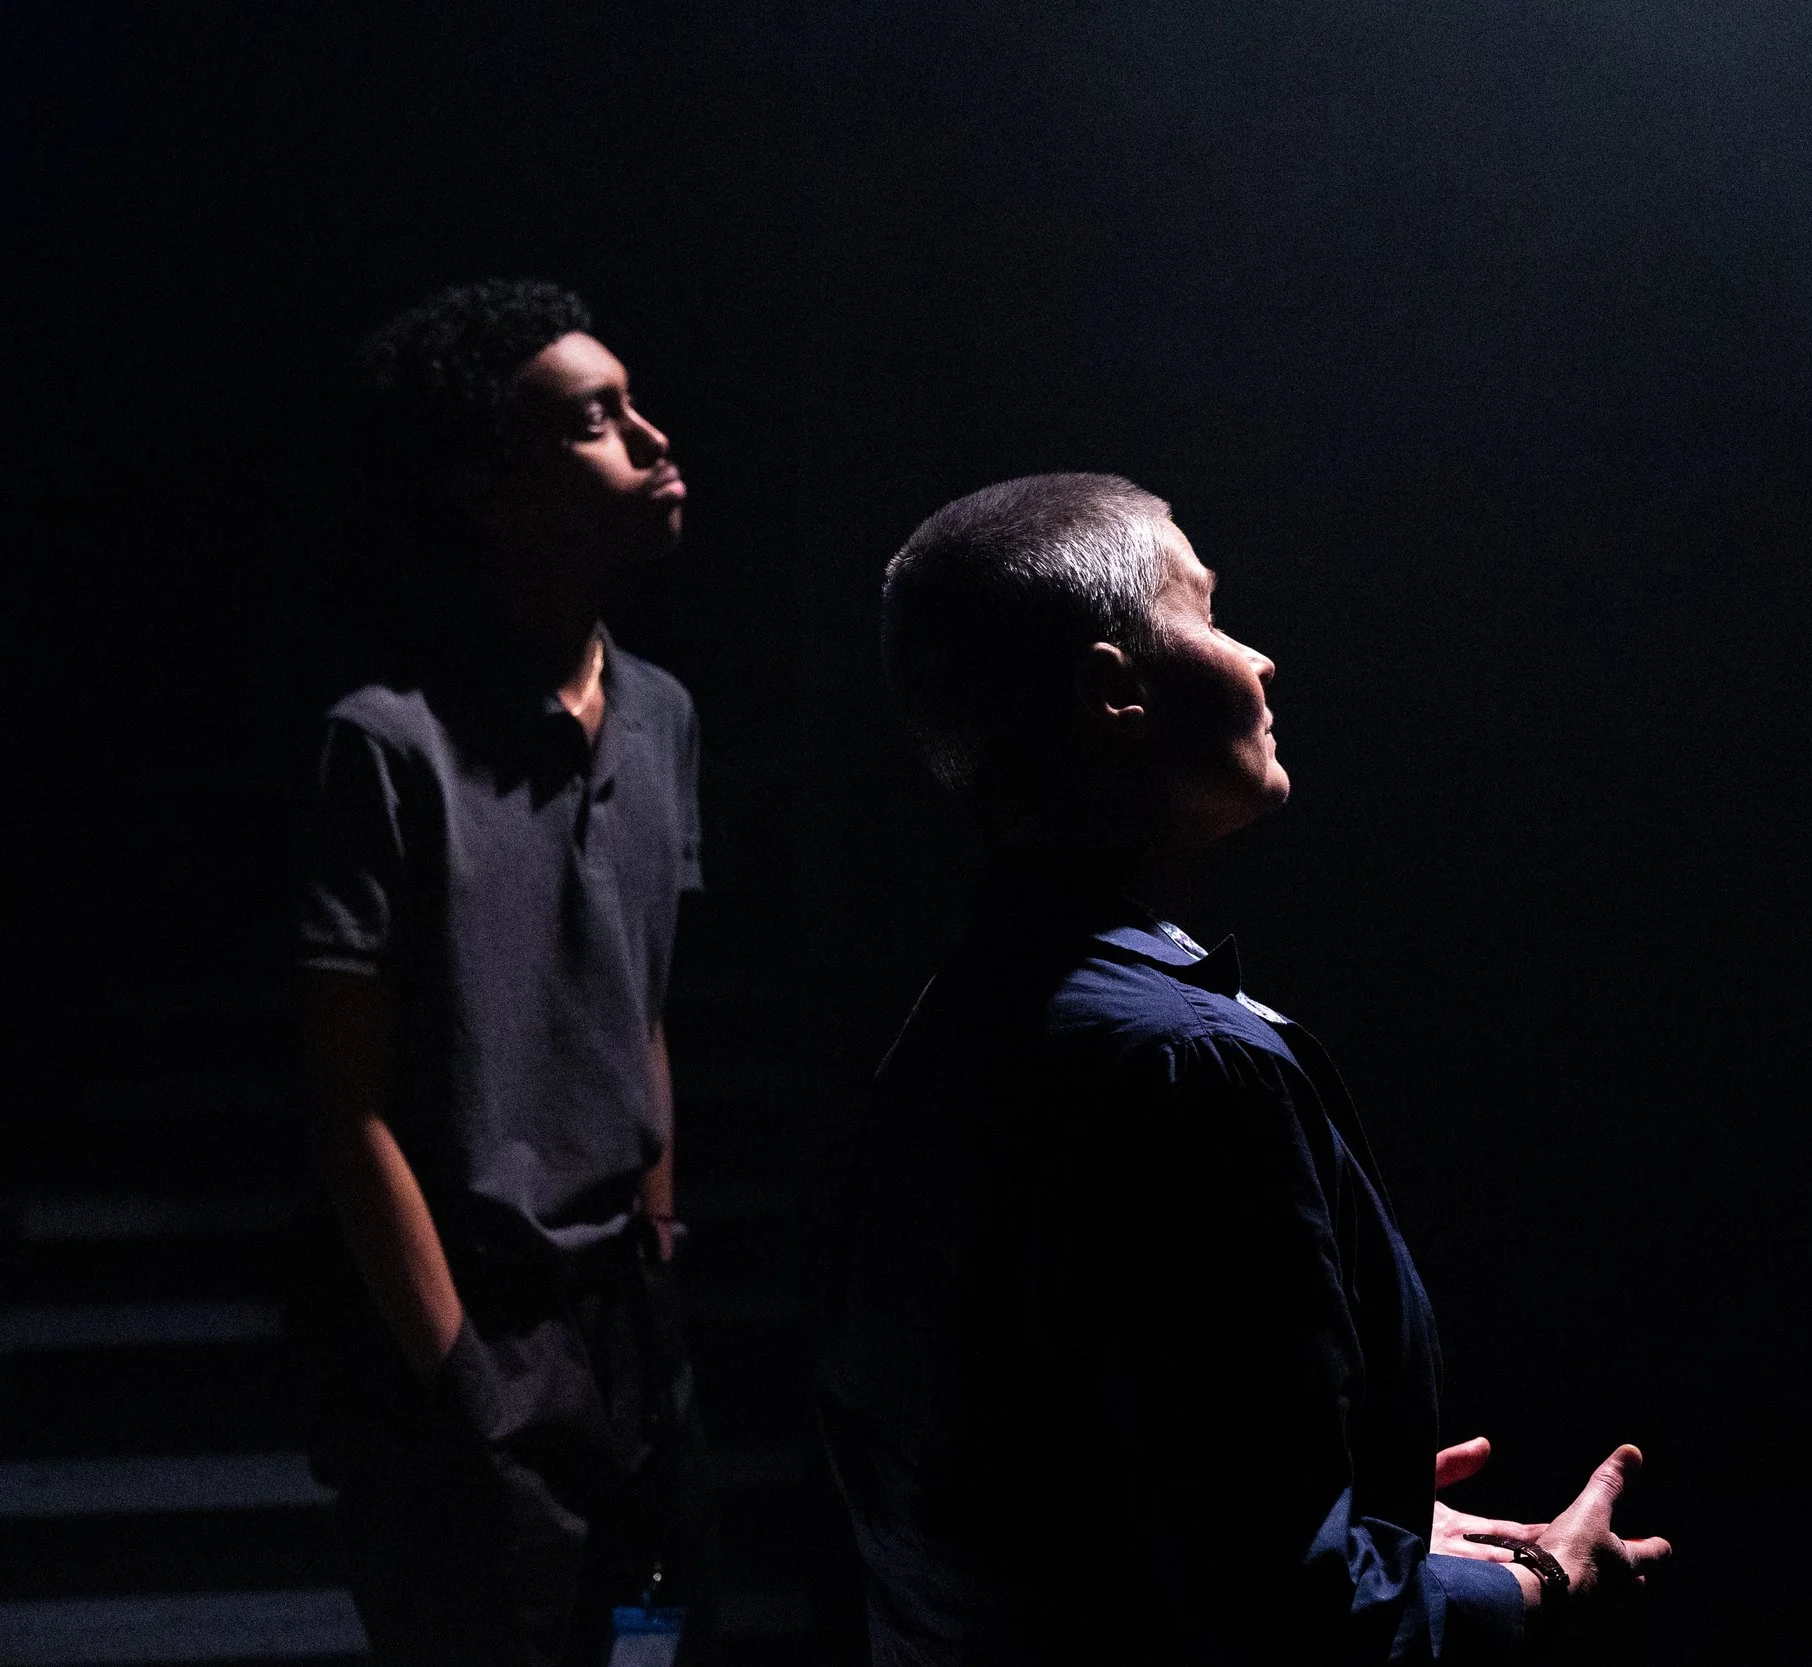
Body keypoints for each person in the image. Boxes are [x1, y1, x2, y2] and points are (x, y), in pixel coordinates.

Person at [818, 474, 1671, 1662]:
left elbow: (1019, 1481)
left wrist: (1344, 1504)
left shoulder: (956, 1022)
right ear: (1114, 691)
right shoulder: (1190, 1066)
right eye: (1207, 614)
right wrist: (1536, 1582)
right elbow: (1290, 1619)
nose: (1259, 658)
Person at [297, 279, 717, 1665]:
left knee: (651, 1643)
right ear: (492, 487)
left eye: (634, 403)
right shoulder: (387, 745)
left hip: (634, 1338)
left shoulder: (660, 714)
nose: (652, 438)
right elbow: (346, 1103)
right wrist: (462, 1384)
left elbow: (638, 998)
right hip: (477, 1334)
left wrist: (659, 1244)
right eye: (596, 419)